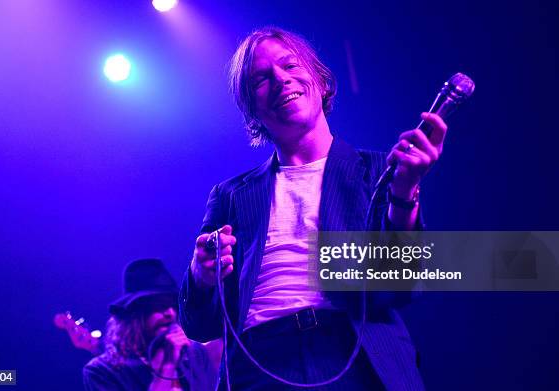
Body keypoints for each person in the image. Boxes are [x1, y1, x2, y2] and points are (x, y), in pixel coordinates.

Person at [179, 26, 448, 390]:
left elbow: (402, 286)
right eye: (261, 78)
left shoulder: (380, 172)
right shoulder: (230, 195)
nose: (280, 79)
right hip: (260, 363)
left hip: (355, 352)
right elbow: (200, 326)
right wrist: (202, 275)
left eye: (290, 65)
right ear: (252, 111)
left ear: (321, 82)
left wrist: (404, 193)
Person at [84, 259, 220, 391]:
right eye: (159, 304)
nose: (170, 313)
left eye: (173, 304)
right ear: (135, 313)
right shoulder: (102, 371)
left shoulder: (195, 355)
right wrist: (167, 365)